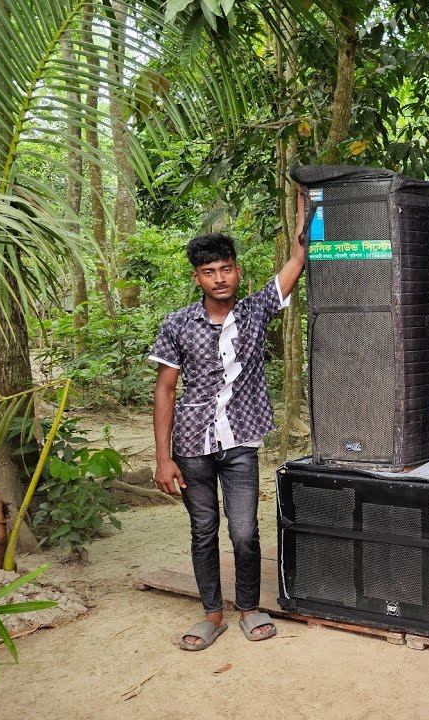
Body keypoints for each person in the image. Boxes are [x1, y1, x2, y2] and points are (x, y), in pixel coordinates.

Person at [149, 194, 307, 651]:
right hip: (191, 446)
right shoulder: (178, 324)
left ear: (238, 271)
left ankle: (249, 608)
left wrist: (303, 200)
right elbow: (165, 390)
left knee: (243, 531)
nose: (219, 278)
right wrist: (163, 458)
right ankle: (211, 615)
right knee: (203, 530)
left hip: (240, 441)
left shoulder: (256, 311)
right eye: (208, 272)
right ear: (197, 277)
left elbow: (298, 258)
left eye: (226, 269)